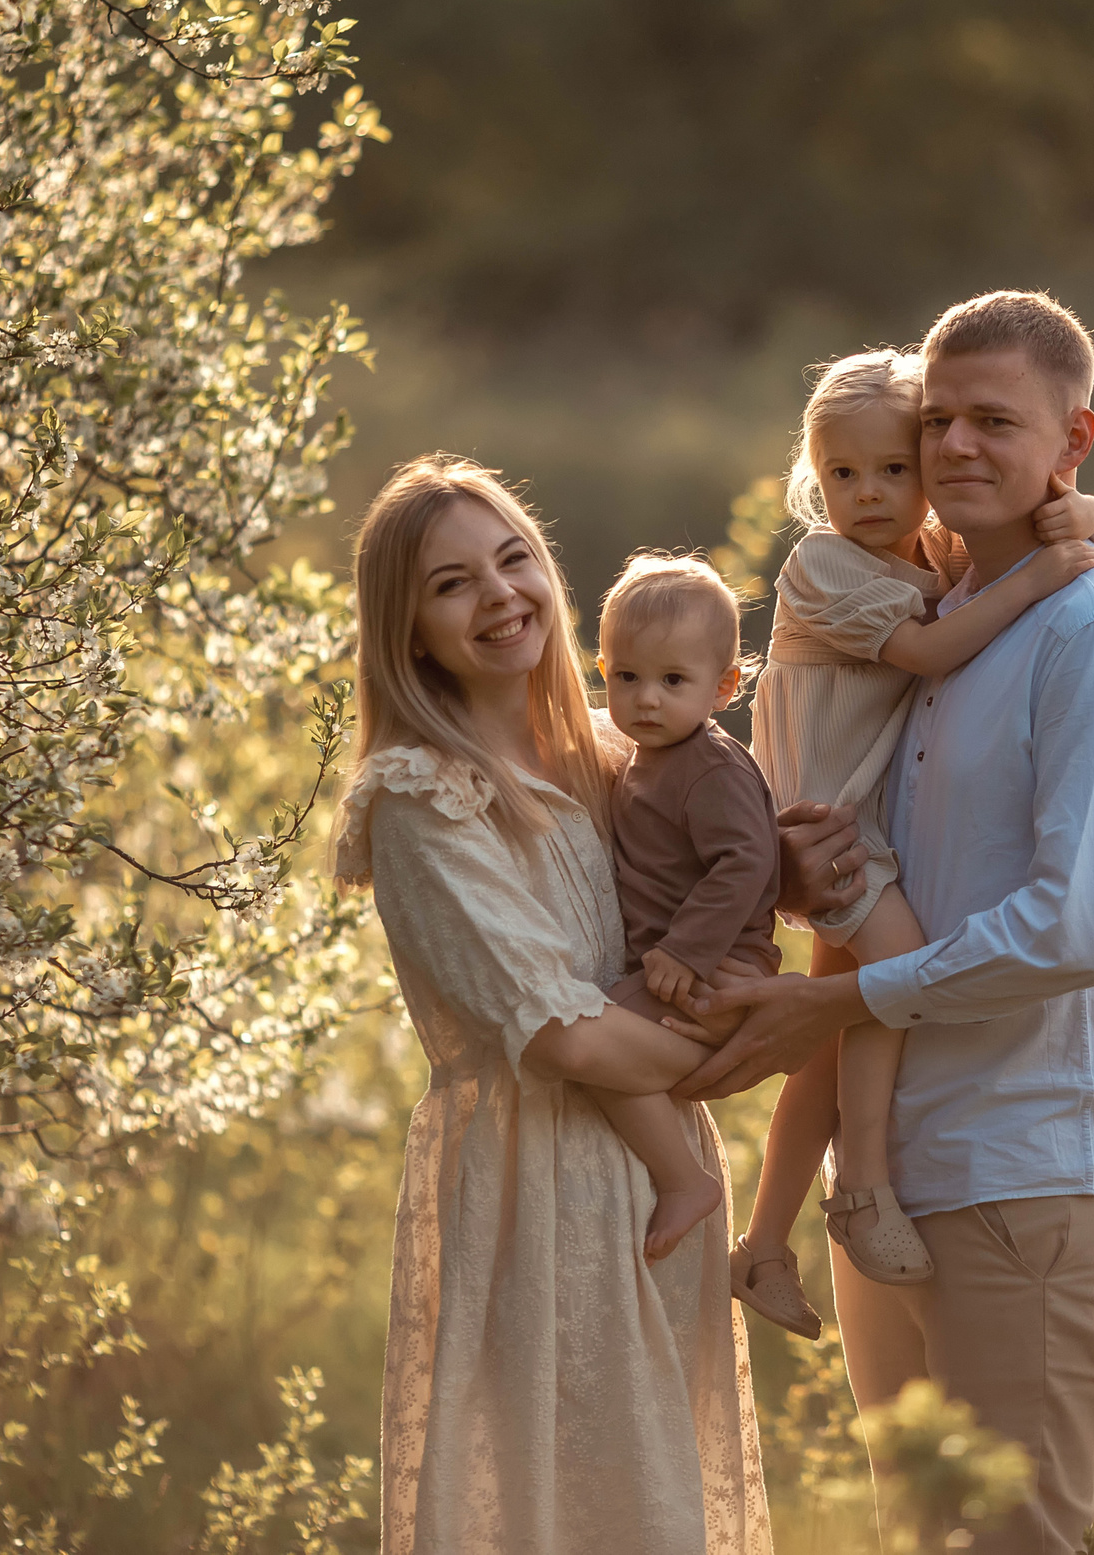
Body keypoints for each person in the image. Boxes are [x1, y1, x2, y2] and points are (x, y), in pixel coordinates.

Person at [681, 292, 1094, 1555]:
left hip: (1025, 1176)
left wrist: (839, 1001)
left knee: (1015, 1542)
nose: (957, 446)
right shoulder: (928, 604)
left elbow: (1074, 929)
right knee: (918, 1540)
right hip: (895, 1179)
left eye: (994, 422)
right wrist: (795, 865)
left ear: (1074, 438)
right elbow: (867, 823)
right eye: (939, 420)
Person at [336, 455, 771, 1555]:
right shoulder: (422, 796)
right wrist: (761, 1043)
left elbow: (720, 858)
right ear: (407, 628)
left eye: (513, 558)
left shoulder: (614, 745)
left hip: (657, 1173)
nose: (499, 596)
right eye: (450, 584)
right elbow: (565, 1033)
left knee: (657, 1497)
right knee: (566, 1503)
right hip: (538, 1189)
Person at [731, 347, 1094, 1338]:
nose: (866, 494)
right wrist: (1050, 575)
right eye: (841, 473)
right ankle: (862, 1189)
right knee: (892, 971)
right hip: (829, 830)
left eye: (892, 470)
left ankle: (762, 1244)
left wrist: (1086, 524)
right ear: (814, 475)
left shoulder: (929, 553)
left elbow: (1055, 523)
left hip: (871, 820)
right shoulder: (822, 565)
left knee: (829, 1028)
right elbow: (937, 647)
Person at [591, 551, 782, 1261]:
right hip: (679, 962)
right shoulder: (652, 752)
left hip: (718, 966)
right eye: (627, 677)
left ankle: (683, 1181)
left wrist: (686, 950)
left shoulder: (708, 766)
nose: (646, 699)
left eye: (674, 681)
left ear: (725, 686)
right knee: (600, 1035)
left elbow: (748, 861)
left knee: (594, 1047)